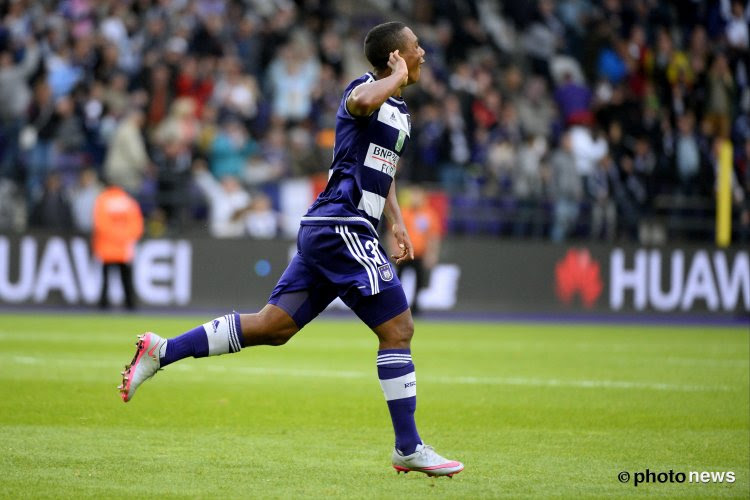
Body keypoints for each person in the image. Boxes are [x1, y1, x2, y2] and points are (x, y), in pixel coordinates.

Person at [118, 21, 463, 478]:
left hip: (338, 228)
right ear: (395, 56)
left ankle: (161, 351)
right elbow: (361, 103)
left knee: (272, 327)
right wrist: (396, 76)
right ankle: (408, 446)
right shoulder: (364, 88)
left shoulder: (398, 109)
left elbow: (383, 167)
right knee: (398, 329)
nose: (423, 53)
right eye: (415, 47)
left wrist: (395, 220)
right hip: (342, 225)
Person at [93, 180, 144, 310]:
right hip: (124, 248)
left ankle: (103, 305)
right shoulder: (129, 202)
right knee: (126, 279)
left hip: (107, 248)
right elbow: (137, 225)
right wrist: (124, 236)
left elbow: (100, 224)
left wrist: (114, 236)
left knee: (105, 279)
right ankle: (130, 304)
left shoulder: (102, 200)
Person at [394, 186, 441, 316]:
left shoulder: (429, 214)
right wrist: (394, 247)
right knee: (398, 280)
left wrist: (432, 254)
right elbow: (393, 232)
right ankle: (397, 305)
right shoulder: (403, 213)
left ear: (423, 197)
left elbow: (433, 236)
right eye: (413, 195)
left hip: (419, 253)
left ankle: (415, 307)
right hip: (404, 253)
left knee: (419, 282)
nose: (415, 199)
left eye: (417, 195)